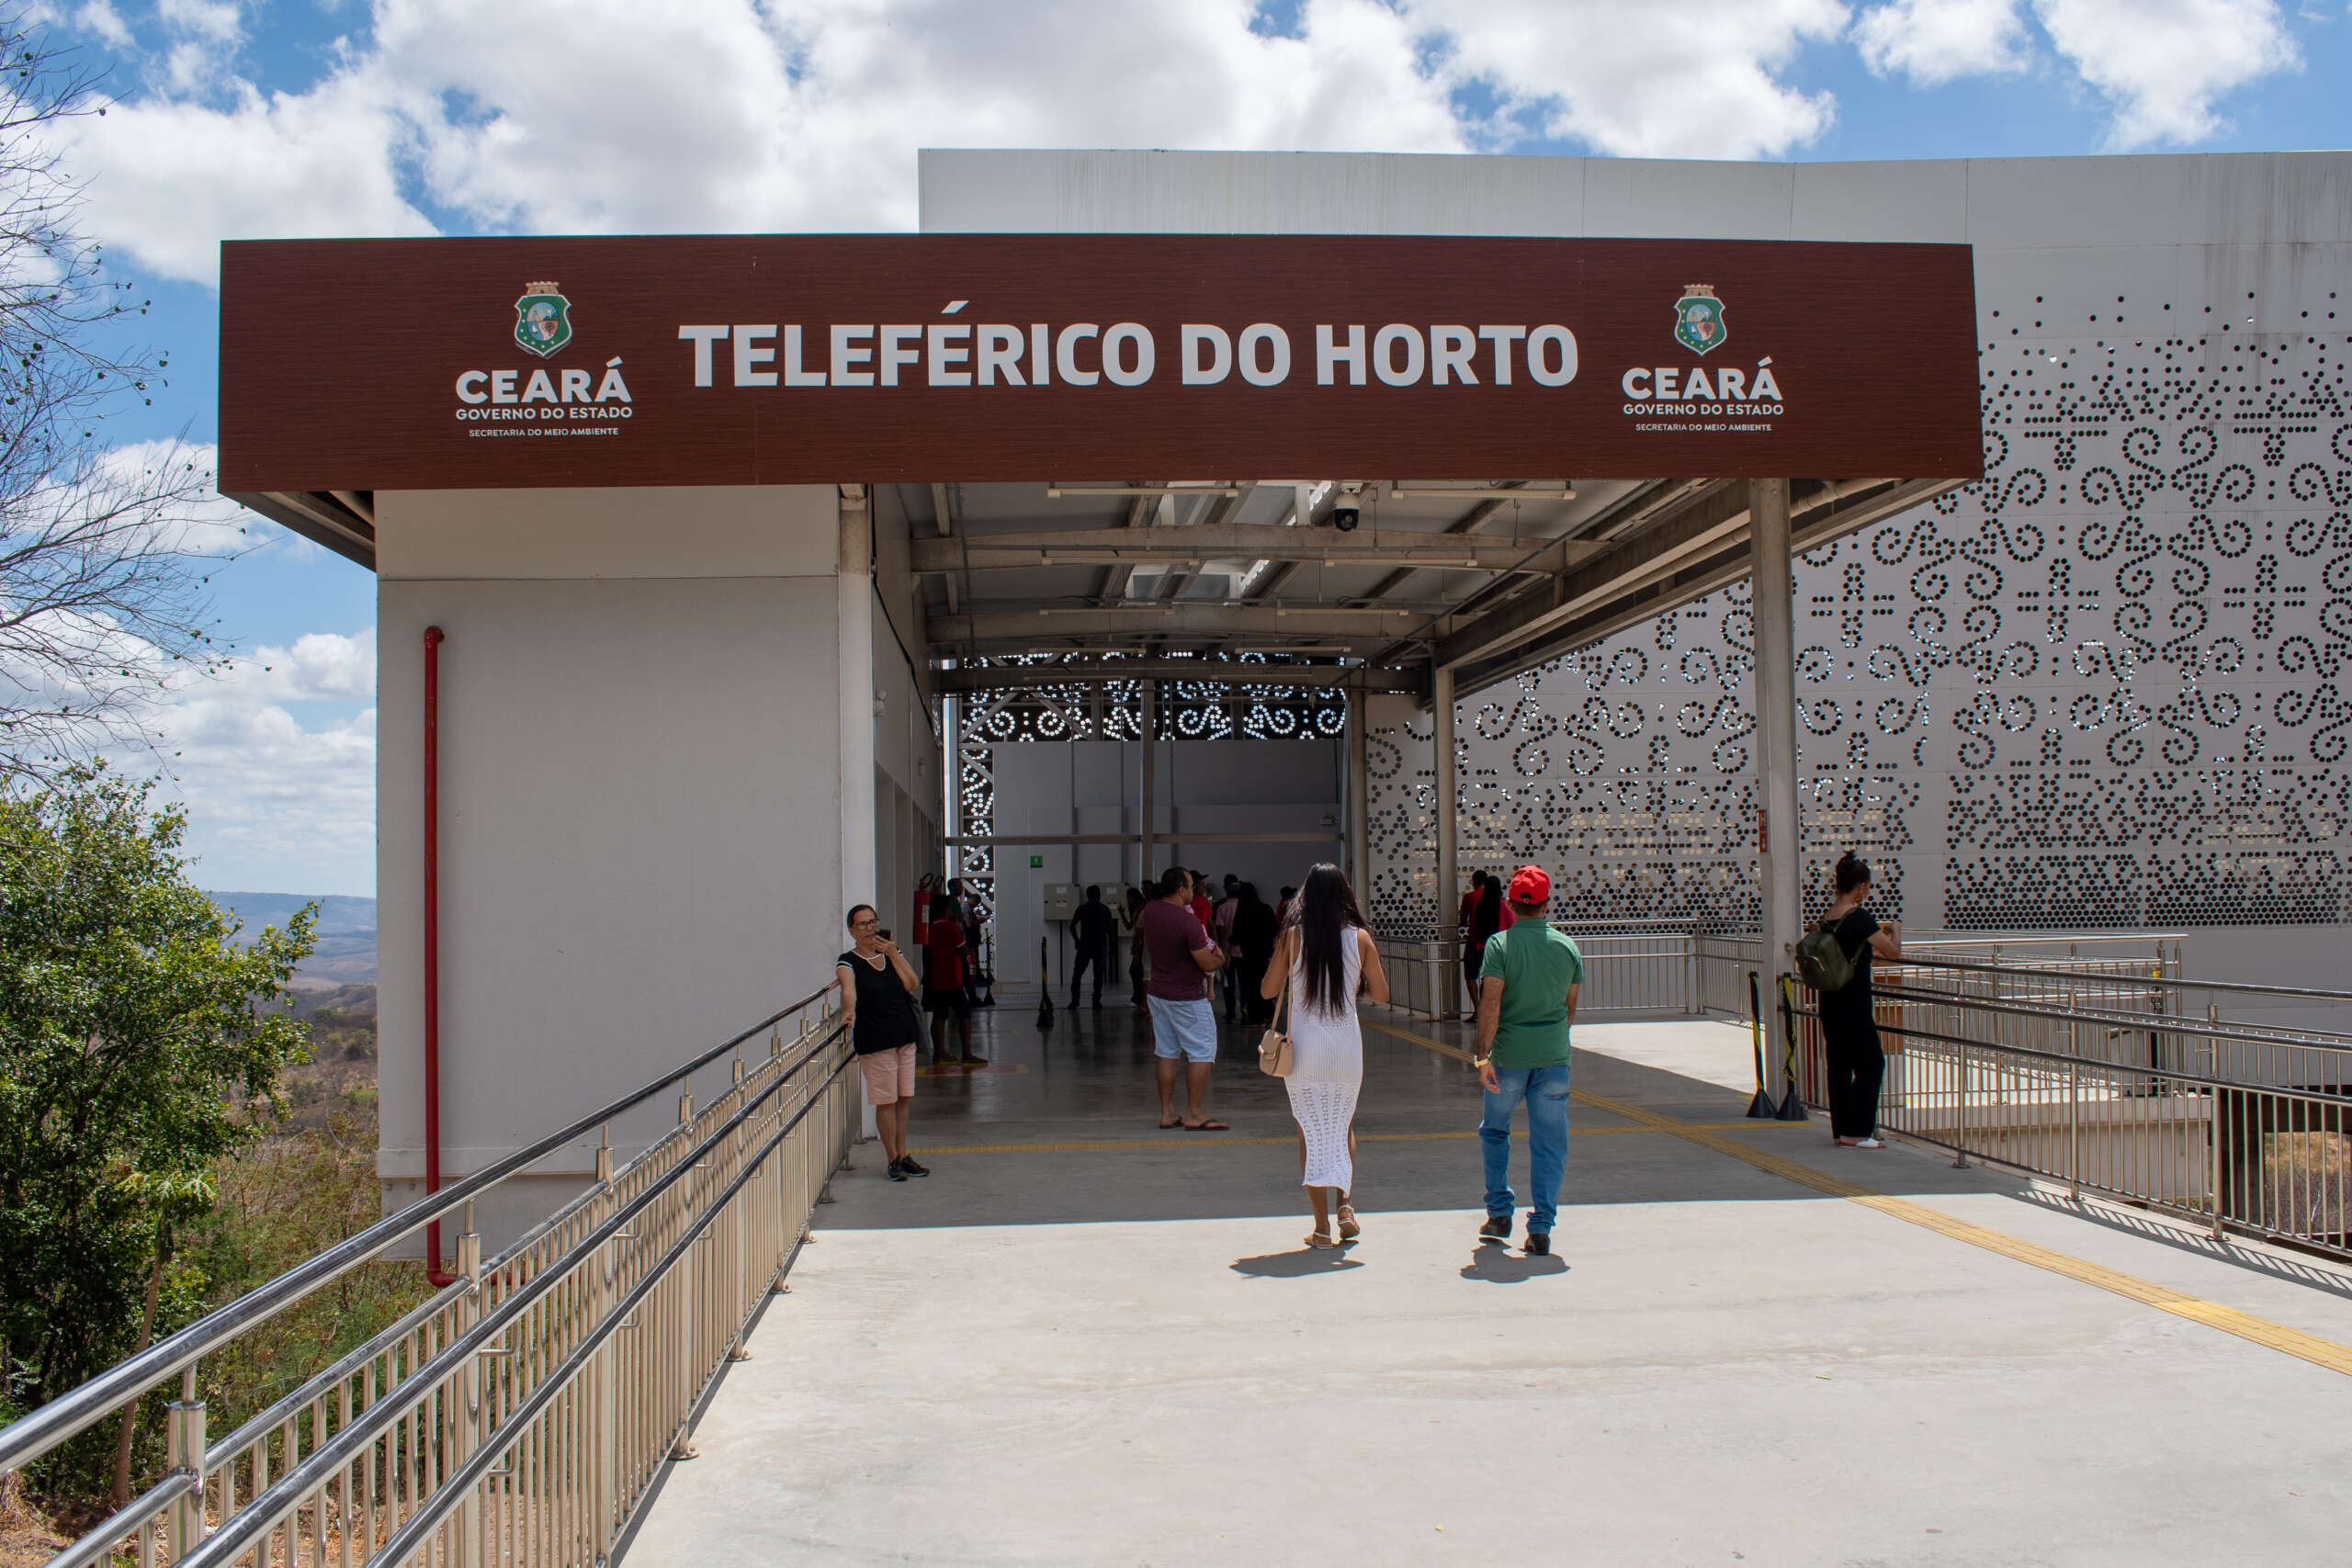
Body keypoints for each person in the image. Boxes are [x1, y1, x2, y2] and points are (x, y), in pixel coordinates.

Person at [1261, 864, 1389, 1247]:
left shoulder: (1293, 937)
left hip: (1306, 1048)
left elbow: (1268, 990)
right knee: (1343, 1125)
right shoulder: (1360, 938)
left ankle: (1321, 1228)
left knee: (1310, 1130)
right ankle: (1345, 1206)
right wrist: (1353, 983)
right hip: (1346, 1046)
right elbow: (1381, 994)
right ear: (1343, 896)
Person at [1471, 864, 1584, 1257]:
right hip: (1553, 1058)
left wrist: (1482, 1057)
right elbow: (1570, 1008)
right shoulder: (1567, 948)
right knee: (1549, 1142)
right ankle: (1541, 1228)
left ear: (1510, 904)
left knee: (1495, 1131)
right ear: (1546, 903)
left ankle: (1500, 1213)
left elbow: (1491, 1003)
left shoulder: (1500, 946)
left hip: (1508, 1058)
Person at [837, 905, 930, 1180]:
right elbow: (848, 991)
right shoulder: (848, 961)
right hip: (876, 1039)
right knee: (886, 1101)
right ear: (852, 930)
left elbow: (912, 983)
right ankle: (892, 1159)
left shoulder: (890, 953)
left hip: (904, 1035)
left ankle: (903, 1154)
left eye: (872, 922)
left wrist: (893, 953)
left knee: (903, 1098)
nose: (869, 929)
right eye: (862, 924)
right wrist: (848, 1010)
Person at [1817, 851, 1901, 1148]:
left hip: (1830, 1001)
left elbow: (1850, 951)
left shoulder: (1829, 916)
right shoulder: (1860, 917)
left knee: (1839, 1066)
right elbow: (1892, 952)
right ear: (1862, 886)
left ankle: (1842, 1130)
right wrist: (1896, 932)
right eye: (1867, 886)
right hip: (1854, 1003)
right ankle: (1857, 1132)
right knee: (1872, 1064)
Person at [1141, 867, 1228, 1130]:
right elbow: (1207, 963)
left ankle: (1168, 1112)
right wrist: (1220, 959)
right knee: (1201, 1052)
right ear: (1181, 890)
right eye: (1191, 886)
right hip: (1187, 997)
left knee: (1166, 1052)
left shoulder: (1150, 911)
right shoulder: (1187, 922)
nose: (1194, 890)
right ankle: (1194, 1114)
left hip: (1158, 994)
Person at [923, 892, 987, 1066]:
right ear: (946, 909)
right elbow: (964, 950)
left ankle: (939, 1053)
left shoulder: (932, 927)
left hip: (937, 978)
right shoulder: (950, 927)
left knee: (940, 1015)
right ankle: (967, 1054)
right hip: (952, 978)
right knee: (964, 1015)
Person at [1232, 882, 1280, 1024]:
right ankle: (1268, 1013)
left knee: (1252, 986)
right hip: (1264, 954)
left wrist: (1228, 954)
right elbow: (1275, 931)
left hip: (1248, 955)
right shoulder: (1266, 909)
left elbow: (1235, 935)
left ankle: (1256, 1017)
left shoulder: (1242, 912)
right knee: (1265, 981)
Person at [1463, 871, 1507, 1016]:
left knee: (1470, 976)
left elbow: (1463, 919)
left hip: (1475, 943)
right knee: (1489, 977)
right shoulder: (1502, 903)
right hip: (1497, 946)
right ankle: (1489, 1010)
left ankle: (1478, 1008)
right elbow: (1511, 924)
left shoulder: (1471, 898)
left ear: (1474, 882)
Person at [1069, 884, 1117, 1008]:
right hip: (1100, 946)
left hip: (1084, 946)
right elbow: (1111, 931)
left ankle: (1075, 1000)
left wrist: (1076, 940)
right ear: (1099, 895)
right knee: (1099, 975)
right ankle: (1096, 1001)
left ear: (1087, 895)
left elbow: (1072, 926)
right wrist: (1112, 948)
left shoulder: (1082, 908)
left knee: (1077, 974)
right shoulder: (1105, 909)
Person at [1124, 886, 1150, 1011]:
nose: (1128, 899)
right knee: (1138, 972)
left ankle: (1140, 1000)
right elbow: (1130, 926)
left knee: (1138, 972)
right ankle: (1140, 999)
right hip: (1141, 944)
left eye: (1129, 897)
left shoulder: (1142, 909)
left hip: (1142, 944)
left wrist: (1136, 951)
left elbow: (1137, 930)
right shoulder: (1140, 909)